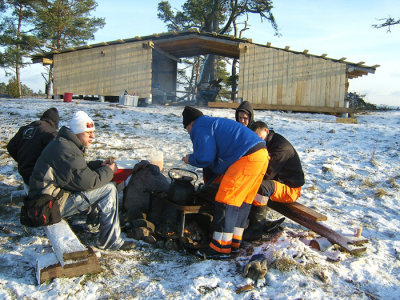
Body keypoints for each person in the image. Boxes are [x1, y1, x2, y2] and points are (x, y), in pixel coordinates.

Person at [28, 111, 135, 251]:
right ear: (78, 132)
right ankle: (110, 241)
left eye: (93, 132)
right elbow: (89, 182)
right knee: (108, 189)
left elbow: (77, 171)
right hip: (46, 206)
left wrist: (99, 165)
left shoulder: (65, 144)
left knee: (101, 186)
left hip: (48, 198)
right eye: (88, 132)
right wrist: (108, 170)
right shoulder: (66, 149)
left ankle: (94, 223)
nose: (93, 136)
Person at [181, 106, 269, 259]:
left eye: (186, 129)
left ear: (190, 124)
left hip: (247, 156)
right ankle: (234, 242)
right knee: (241, 200)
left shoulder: (200, 126)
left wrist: (190, 159)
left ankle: (220, 247)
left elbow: (205, 157)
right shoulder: (213, 123)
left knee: (226, 199)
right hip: (261, 155)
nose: (188, 132)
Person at [244, 120, 305, 240]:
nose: (257, 140)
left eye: (259, 137)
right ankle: (254, 222)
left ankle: (256, 229)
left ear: (266, 131)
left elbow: (267, 173)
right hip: (279, 182)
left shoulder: (281, 148)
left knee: (260, 187)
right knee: (253, 185)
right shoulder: (266, 143)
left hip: (291, 189)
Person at [7, 107, 59, 188]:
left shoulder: (26, 128)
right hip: (40, 179)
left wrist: (22, 159)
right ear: (55, 122)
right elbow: (58, 155)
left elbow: (10, 147)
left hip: (24, 173)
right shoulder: (51, 133)